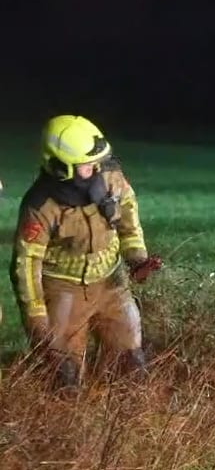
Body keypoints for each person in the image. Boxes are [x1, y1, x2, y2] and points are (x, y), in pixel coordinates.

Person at [10, 115, 161, 387]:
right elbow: (26, 264)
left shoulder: (112, 179)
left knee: (131, 363)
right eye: (86, 165)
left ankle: (129, 422)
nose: (96, 167)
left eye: (97, 161)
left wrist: (136, 258)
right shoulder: (41, 207)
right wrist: (36, 317)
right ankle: (67, 424)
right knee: (63, 374)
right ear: (59, 168)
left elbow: (128, 218)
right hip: (63, 290)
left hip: (112, 283)